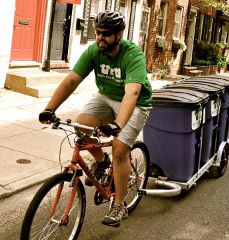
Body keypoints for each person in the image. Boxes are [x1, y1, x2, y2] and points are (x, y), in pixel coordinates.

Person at [38, 10, 152, 227]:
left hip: (135, 103)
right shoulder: (93, 51)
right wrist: (49, 108)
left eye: (106, 34)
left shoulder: (133, 54)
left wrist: (118, 125)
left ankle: (119, 205)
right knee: (82, 127)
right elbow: (72, 80)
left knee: (120, 148)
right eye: (98, 32)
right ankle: (101, 161)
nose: (100, 38)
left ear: (119, 35)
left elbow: (132, 93)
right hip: (106, 96)